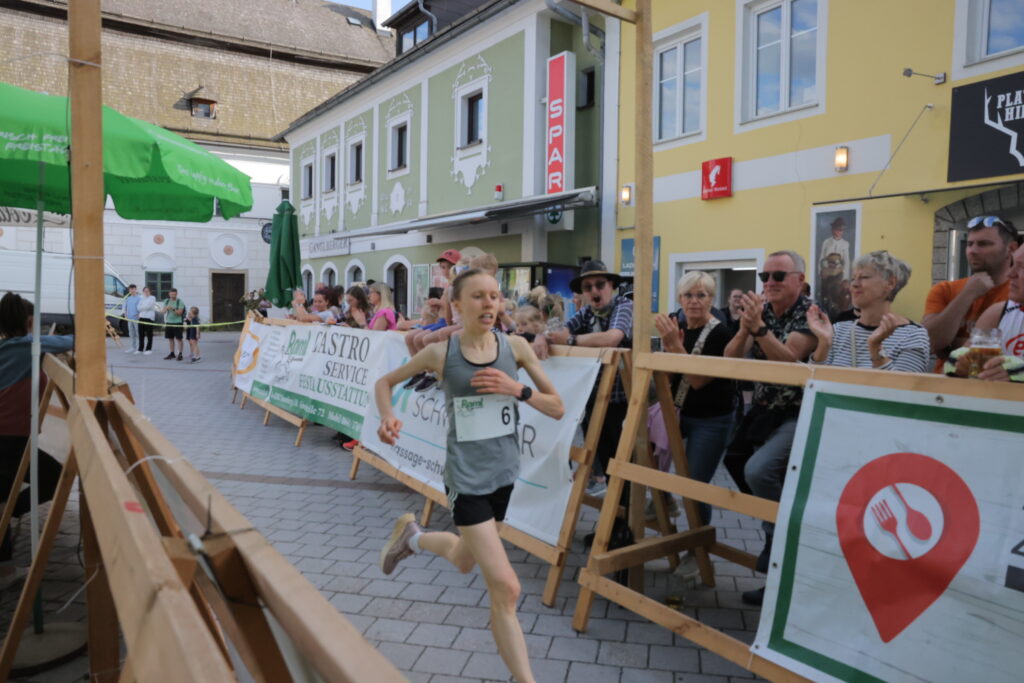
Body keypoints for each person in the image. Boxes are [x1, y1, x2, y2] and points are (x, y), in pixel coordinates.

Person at [375, 268, 564, 683]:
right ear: (456, 306)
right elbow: (385, 382)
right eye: (478, 297)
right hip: (466, 480)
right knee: (507, 588)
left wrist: (517, 390)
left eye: (495, 296)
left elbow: (557, 407)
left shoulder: (515, 347)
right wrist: (388, 416)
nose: (490, 304)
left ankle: (413, 538)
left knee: (464, 559)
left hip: (504, 476)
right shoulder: (441, 354)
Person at [723, 250, 817, 606]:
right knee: (733, 460)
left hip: (797, 413)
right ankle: (777, 534)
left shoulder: (809, 312)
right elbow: (731, 360)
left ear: (799, 280)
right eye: (765, 277)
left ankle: (779, 538)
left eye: (779, 276)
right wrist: (747, 328)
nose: (770, 283)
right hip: (763, 410)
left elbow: (791, 360)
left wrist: (758, 328)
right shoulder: (761, 312)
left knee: (759, 471)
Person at [0, 293, 72, 588]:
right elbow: (72, 342)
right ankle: (4, 570)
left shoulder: (8, 347)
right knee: (53, 477)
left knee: (4, 496)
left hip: (10, 436)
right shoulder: (28, 346)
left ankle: (5, 558)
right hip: (9, 436)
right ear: (29, 320)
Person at [543, 260, 633, 496]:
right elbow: (557, 332)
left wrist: (570, 341)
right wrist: (543, 339)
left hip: (623, 399)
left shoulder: (624, 305)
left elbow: (612, 337)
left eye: (599, 284)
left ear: (611, 285)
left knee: (621, 462)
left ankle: (624, 521)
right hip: (592, 397)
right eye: (588, 287)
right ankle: (615, 522)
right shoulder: (585, 312)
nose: (594, 291)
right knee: (605, 459)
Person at [654, 272, 736, 526]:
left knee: (694, 486)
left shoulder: (720, 333)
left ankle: (696, 549)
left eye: (701, 295)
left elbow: (698, 381)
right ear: (679, 298)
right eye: (688, 295)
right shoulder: (675, 327)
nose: (694, 301)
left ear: (711, 299)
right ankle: (663, 500)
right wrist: (667, 354)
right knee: (644, 454)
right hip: (679, 411)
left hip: (711, 418)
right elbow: (666, 379)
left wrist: (676, 349)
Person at [923, 215, 1020, 371]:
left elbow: (1014, 351)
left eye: (983, 244)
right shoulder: (945, 290)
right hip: (946, 387)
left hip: (1001, 388)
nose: (972, 251)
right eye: (969, 244)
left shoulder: (1018, 293)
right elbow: (929, 343)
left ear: (1011, 248)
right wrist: (967, 294)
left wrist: (952, 344)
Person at [806, 251, 929, 373]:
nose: (853, 285)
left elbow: (904, 390)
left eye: (864, 277)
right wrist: (824, 343)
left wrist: (876, 349)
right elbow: (811, 385)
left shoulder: (912, 335)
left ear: (890, 283)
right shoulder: (838, 330)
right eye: (853, 278)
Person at [946, 241, 1024, 382]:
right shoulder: (998, 313)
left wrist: (1017, 373)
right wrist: (961, 366)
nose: (1011, 274)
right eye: (1013, 264)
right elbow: (955, 363)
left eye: (1022, 267)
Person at [160, 288, 186, 361]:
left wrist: (173, 309)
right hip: (169, 322)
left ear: (176, 294)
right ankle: (172, 353)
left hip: (178, 322)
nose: (173, 295)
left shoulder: (180, 302)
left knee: (179, 339)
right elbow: (162, 312)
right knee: (170, 339)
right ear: (169, 294)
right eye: (171, 294)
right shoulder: (167, 301)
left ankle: (180, 354)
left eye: (174, 294)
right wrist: (166, 309)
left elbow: (180, 313)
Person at [137, 286, 156, 354]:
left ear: (150, 291)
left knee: (149, 334)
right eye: (145, 291)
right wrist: (143, 307)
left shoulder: (152, 298)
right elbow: (138, 307)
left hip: (149, 318)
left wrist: (142, 307)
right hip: (141, 317)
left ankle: (148, 349)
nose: (146, 292)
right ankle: (140, 349)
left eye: (147, 291)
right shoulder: (141, 298)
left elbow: (149, 307)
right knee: (141, 334)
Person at [123, 284, 140, 354]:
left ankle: (139, 348)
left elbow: (141, 308)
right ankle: (133, 347)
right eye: (130, 289)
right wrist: (125, 315)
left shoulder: (139, 298)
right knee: (131, 333)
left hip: (136, 318)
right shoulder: (128, 298)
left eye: (133, 289)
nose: (132, 290)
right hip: (129, 318)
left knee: (138, 333)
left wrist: (139, 315)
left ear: (136, 289)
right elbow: (125, 308)